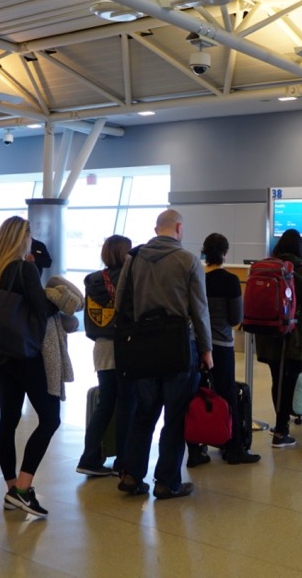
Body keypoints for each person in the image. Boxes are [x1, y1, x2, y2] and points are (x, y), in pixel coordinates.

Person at [115, 209, 213, 499]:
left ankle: (131, 475)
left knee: (144, 413)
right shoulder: (188, 260)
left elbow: (120, 303)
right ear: (179, 228)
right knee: (175, 416)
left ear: (156, 229)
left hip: (142, 346)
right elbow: (200, 309)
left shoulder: (133, 259)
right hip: (178, 347)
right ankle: (166, 482)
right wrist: (206, 349)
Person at [0, 216, 60, 517]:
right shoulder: (24, 269)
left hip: (3, 355)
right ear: (23, 237)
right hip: (27, 355)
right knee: (50, 418)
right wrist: (59, 298)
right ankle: (23, 490)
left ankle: (11, 489)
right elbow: (42, 309)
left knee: (8, 421)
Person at [198, 233, 260, 463]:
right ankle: (233, 448)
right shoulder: (230, 281)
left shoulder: (198, 278)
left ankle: (197, 448)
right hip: (221, 345)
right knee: (226, 395)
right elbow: (235, 318)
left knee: (199, 394)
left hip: (198, 344)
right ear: (225, 253)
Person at [78, 235, 134, 477]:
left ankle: (88, 457)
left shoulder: (93, 281)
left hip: (101, 347)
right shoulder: (128, 278)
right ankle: (123, 461)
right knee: (127, 404)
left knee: (105, 404)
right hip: (124, 347)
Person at [255, 229, 302, 448]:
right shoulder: (301, 273)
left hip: (268, 334)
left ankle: (281, 425)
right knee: (290, 380)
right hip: (293, 337)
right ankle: (281, 430)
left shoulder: (270, 267)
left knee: (277, 379)